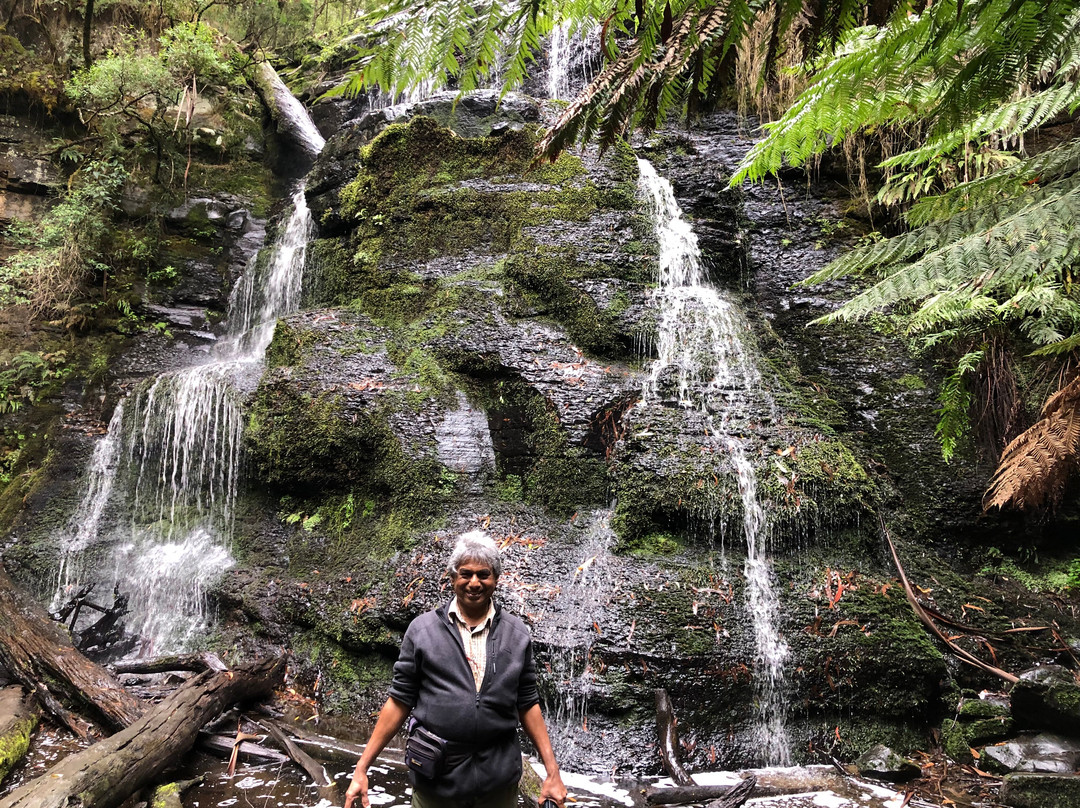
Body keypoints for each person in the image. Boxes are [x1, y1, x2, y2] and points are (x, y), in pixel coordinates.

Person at [344, 530, 567, 808]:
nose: (474, 582)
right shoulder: (423, 631)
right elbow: (399, 701)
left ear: (496, 579)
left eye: (483, 574)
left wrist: (552, 772)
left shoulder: (516, 634)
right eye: (466, 574)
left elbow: (528, 703)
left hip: (497, 786)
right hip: (436, 782)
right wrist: (362, 768)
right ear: (452, 578)